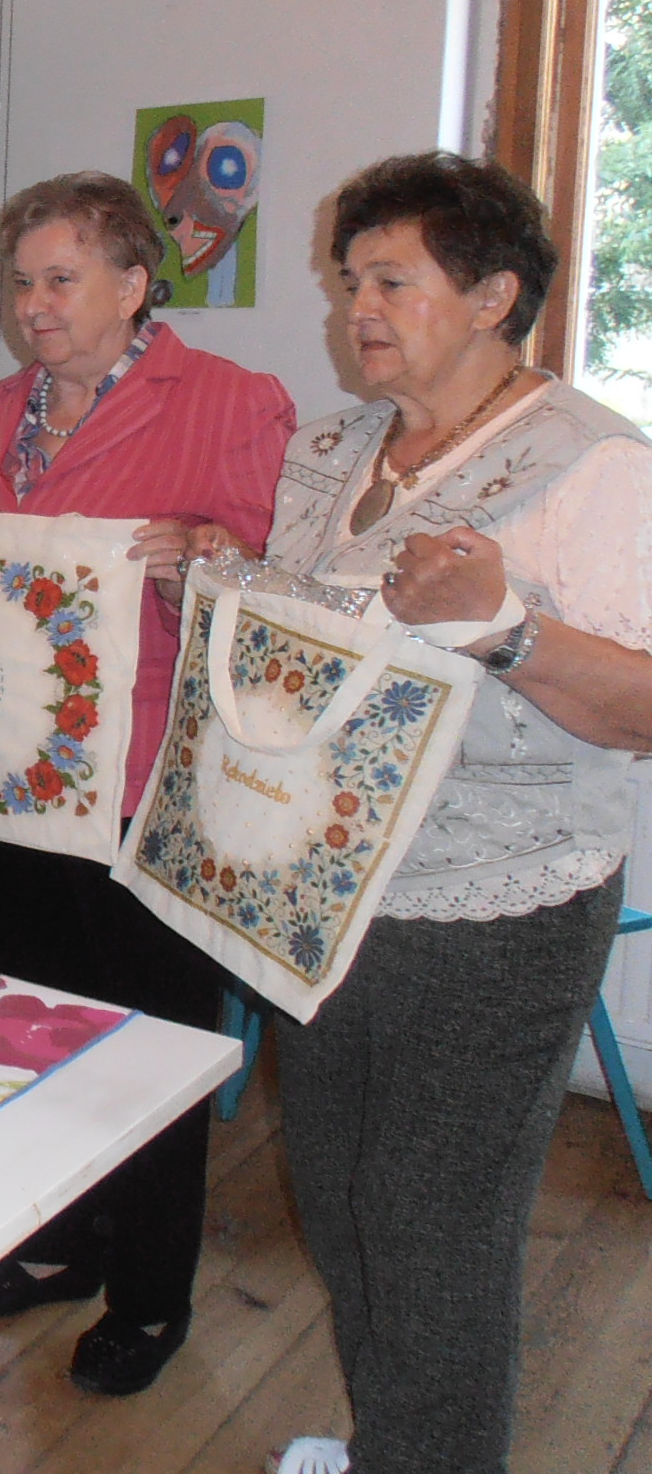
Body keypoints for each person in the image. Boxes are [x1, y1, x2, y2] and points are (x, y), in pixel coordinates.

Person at [219, 154, 651, 1474]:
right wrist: (220, 583)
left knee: (434, 1228)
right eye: (349, 280)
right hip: (327, 886)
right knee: (340, 1197)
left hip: (494, 905)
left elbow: (642, 707)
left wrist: (504, 626)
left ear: (492, 296)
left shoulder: (594, 463)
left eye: (390, 281)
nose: (356, 306)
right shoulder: (332, 449)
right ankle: (392, 1450)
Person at [0, 169, 293, 1395]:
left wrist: (206, 557)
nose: (33, 305)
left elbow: (278, 585)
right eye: (18, 282)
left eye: (60, 279)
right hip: (9, 779)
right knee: (39, 1027)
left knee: (151, 1045)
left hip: (147, 782)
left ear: (133, 282)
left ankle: (151, 1293)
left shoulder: (230, 399)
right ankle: (63, 1240)